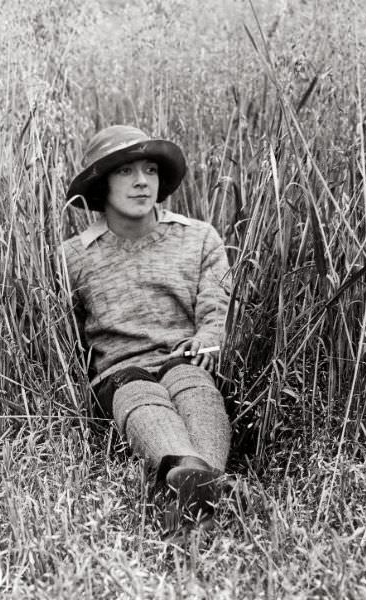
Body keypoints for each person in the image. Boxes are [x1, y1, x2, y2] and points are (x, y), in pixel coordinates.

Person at [60, 125, 232, 528]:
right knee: (138, 387)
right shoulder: (74, 256)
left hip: (186, 357)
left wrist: (207, 340)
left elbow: (216, 304)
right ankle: (186, 467)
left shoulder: (197, 238)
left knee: (190, 382)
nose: (141, 182)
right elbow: (62, 326)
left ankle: (196, 480)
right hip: (120, 372)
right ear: (102, 184)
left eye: (150, 170)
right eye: (125, 172)